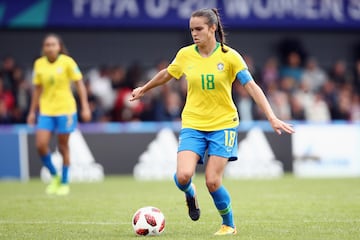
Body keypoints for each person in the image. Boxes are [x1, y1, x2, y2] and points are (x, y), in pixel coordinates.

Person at [130, 8, 295, 235]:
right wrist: (144, 88)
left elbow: (252, 86)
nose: (194, 34)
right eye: (191, 30)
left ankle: (229, 224)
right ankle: (190, 194)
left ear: (212, 28)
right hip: (193, 124)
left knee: (212, 181)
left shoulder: (229, 56)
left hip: (223, 125)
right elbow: (167, 73)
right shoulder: (186, 54)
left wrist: (272, 116)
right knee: (183, 176)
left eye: (199, 29)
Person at [27, 34, 91, 195]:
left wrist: (85, 107)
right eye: (47, 45)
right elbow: (37, 90)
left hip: (66, 110)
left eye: (53, 44)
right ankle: (54, 175)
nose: (50, 47)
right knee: (41, 145)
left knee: (63, 146)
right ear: (43, 48)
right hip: (46, 111)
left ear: (59, 47)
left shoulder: (67, 62)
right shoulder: (39, 64)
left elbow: (80, 85)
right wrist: (31, 112)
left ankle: (64, 182)